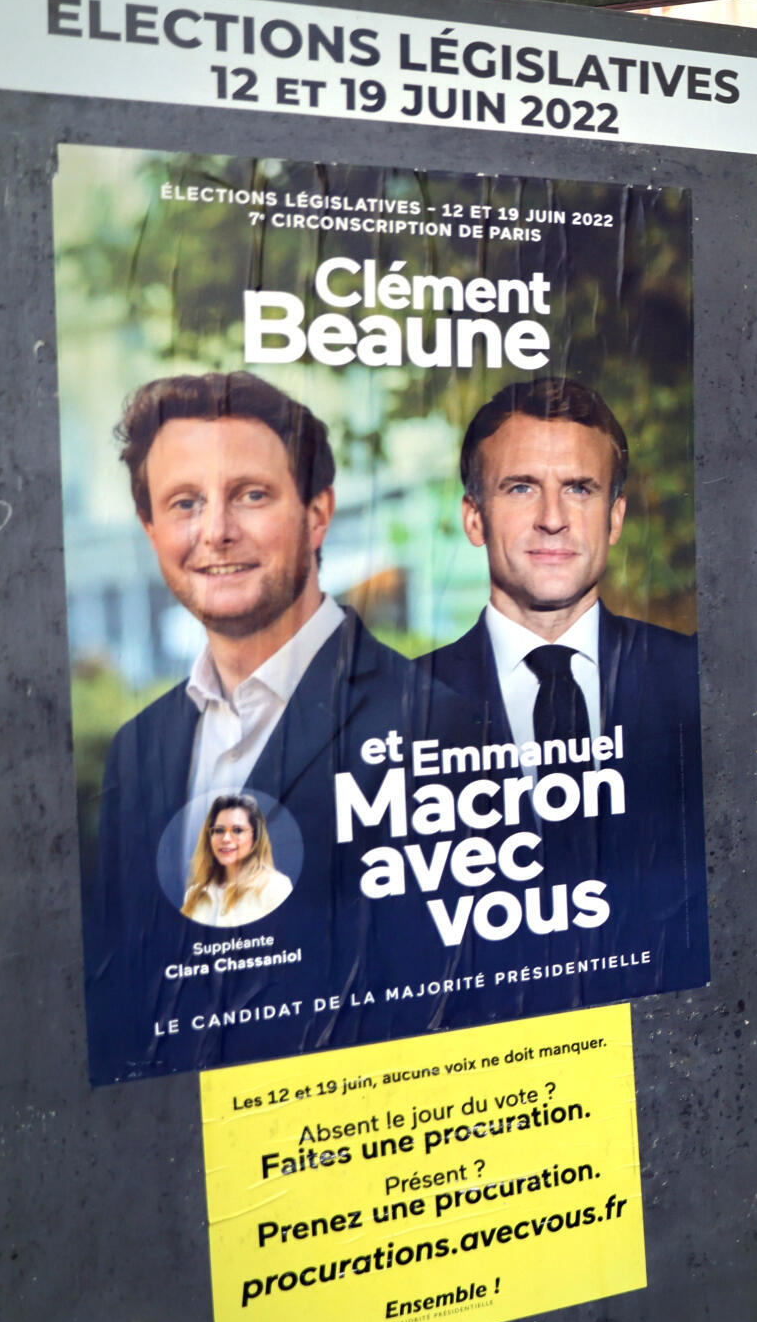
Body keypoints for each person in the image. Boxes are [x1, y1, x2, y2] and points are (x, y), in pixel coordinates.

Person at [84, 372, 478, 1086]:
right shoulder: (136, 751)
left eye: (251, 494)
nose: (215, 531)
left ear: (318, 513)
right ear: (151, 530)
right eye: (184, 503)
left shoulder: (438, 723)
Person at [418, 376, 708, 1004]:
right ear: (474, 517)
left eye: (579, 488)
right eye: (521, 488)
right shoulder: (395, 711)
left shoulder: (700, 683)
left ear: (615, 518)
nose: (553, 518)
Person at [178, 792, 294, 928]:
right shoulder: (194, 895)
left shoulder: (275, 887)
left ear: (255, 837)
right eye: (219, 830)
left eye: (237, 830)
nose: (226, 838)